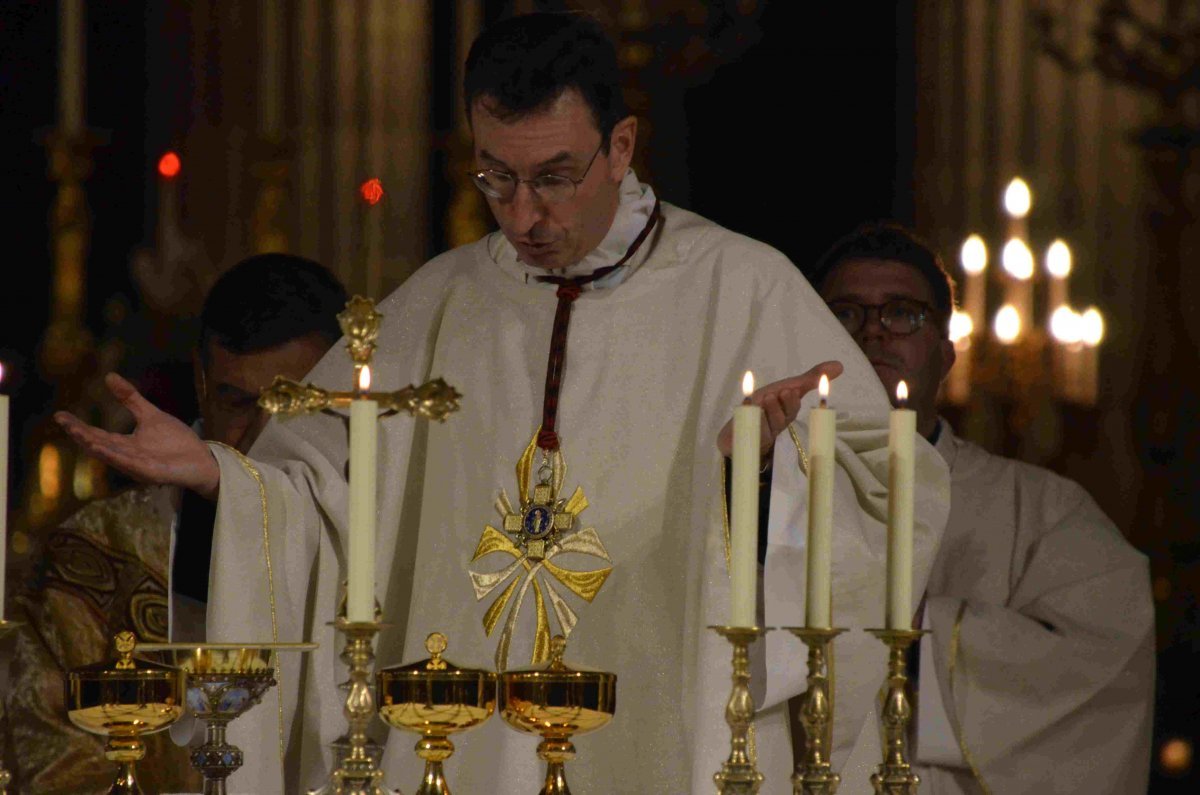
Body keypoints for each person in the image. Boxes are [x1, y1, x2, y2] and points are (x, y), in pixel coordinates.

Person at [56, 15, 950, 793]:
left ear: (622, 147)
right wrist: (224, 475)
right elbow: (325, 501)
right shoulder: (438, 303)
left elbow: (893, 489)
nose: (525, 215)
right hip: (459, 750)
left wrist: (764, 482)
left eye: (556, 176)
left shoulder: (745, 290)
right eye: (497, 178)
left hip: (668, 731)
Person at [800, 222, 1152, 792]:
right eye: (844, 315)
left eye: (902, 313)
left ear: (946, 351)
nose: (872, 334)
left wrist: (916, 630)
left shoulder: (1042, 509)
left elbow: (1106, 657)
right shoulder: (763, 495)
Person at [5, 254, 345, 793]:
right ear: (202, 380)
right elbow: (53, 758)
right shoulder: (95, 553)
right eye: (238, 402)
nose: (261, 437)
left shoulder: (367, 549)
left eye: (291, 406)